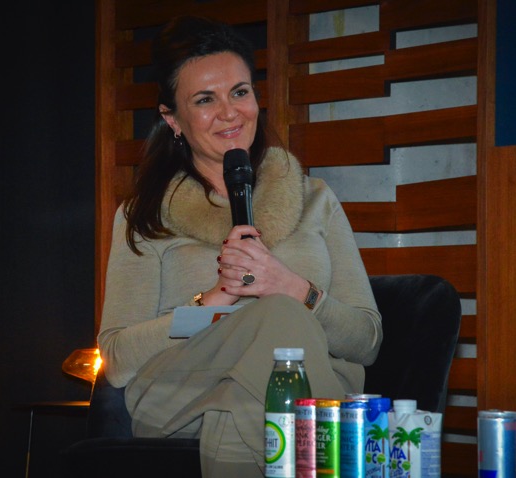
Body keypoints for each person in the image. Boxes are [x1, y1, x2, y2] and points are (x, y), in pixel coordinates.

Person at [97, 15, 383, 477]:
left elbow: (367, 341)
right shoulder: (143, 215)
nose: (229, 113)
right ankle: (346, 451)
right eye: (204, 99)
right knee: (277, 317)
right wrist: (215, 299)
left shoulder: (315, 199)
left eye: (240, 92)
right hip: (180, 395)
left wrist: (294, 289)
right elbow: (116, 358)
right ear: (172, 119)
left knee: (241, 403)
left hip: (278, 398)